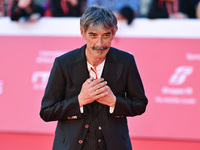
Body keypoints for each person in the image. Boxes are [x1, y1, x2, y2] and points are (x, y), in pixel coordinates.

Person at [40, 5, 148, 150]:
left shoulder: (126, 61)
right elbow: (47, 111)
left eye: (106, 35)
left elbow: (140, 104)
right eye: (93, 35)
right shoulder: (63, 63)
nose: (100, 44)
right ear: (83, 34)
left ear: (114, 33)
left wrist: (114, 102)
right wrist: (79, 101)